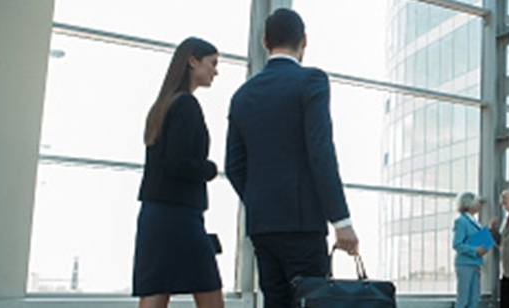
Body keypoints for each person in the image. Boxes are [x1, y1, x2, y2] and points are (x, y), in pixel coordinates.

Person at [225, 8, 358, 308]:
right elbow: (320, 152)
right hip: (301, 224)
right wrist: (341, 220)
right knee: (312, 301)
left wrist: (262, 200)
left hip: (262, 225)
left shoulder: (242, 95)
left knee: (275, 301)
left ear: (264, 41)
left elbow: (233, 166)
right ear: (304, 41)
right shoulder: (311, 81)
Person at [133, 37, 224, 308]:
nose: (216, 71)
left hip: (156, 215)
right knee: (210, 292)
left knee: (156, 290)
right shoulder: (186, 105)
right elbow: (178, 163)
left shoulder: (162, 105)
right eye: (213, 63)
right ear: (192, 61)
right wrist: (210, 169)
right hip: (179, 216)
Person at [452, 192, 488, 308]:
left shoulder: (474, 221)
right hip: (465, 264)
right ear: (469, 203)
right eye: (477, 202)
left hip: (475, 263)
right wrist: (475, 250)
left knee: (473, 301)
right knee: (463, 300)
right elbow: (457, 244)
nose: (479, 205)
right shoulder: (461, 221)